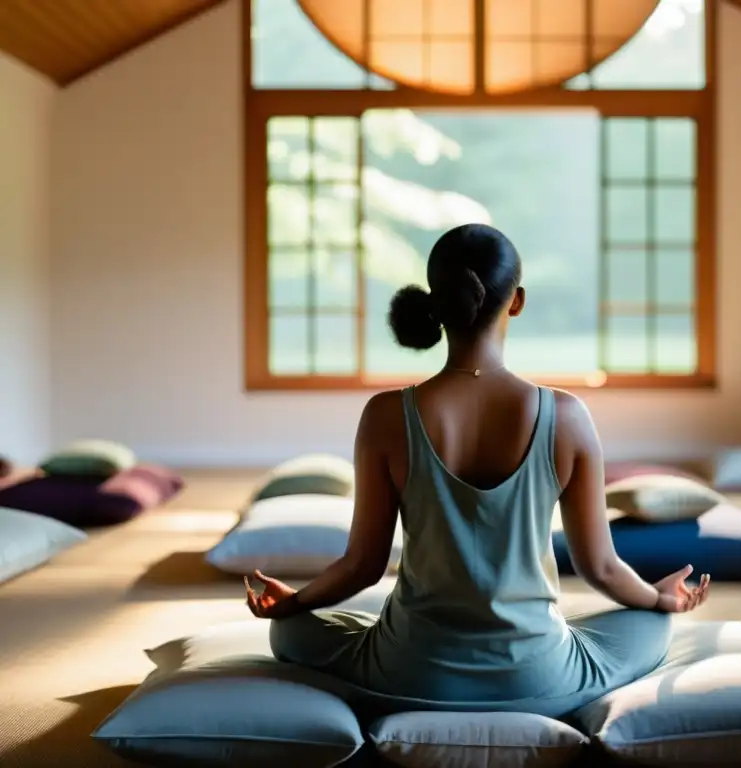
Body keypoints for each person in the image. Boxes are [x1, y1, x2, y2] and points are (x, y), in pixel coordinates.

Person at [244, 223, 710, 716]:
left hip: (411, 669)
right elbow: (602, 569)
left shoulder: (385, 415)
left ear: (436, 303)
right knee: (653, 623)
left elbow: (362, 567)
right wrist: (660, 601)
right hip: (538, 674)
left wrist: (294, 603)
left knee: (288, 631)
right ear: (517, 301)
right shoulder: (567, 417)